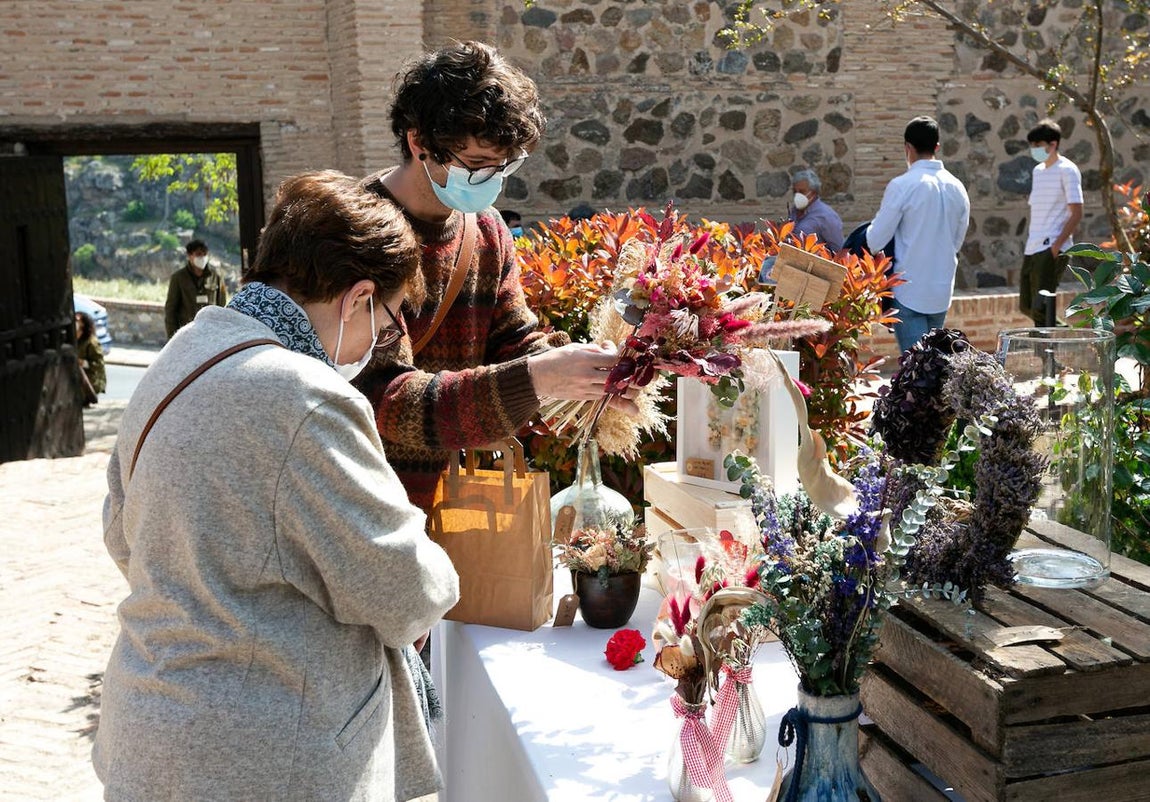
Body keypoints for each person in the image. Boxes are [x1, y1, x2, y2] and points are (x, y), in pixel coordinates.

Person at [94, 171, 460, 802]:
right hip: (265, 755)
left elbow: (122, 535)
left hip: (149, 728)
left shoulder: (184, 351)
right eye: (392, 318)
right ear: (358, 298)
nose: (388, 341)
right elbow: (404, 589)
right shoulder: (306, 397)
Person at [355, 41, 635, 512]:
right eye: (478, 165)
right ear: (418, 141)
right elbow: (387, 401)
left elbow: (514, 340)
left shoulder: (485, 229)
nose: (492, 180)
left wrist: (584, 372)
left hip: (463, 499)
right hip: (366, 504)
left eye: (505, 165)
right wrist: (537, 377)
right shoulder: (356, 234)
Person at [866, 116, 970, 353]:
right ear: (937, 147)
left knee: (917, 371)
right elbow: (957, 242)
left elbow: (875, 241)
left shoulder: (902, 185)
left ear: (907, 147)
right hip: (942, 289)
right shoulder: (958, 187)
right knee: (933, 367)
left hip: (908, 290)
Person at [1020, 118, 1084, 325]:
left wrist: (1056, 247)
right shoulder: (1037, 172)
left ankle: (1051, 354)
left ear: (1053, 144)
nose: (1034, 150)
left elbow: (1077, 212)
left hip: (1051, 247)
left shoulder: (1067, 169)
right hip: (1033, 246)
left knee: (1042, 306)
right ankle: (1068, 339)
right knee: (1027, 305)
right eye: (1032, 146)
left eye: (1038, 145)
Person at [164, 238, 228, 339]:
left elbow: (222, 305)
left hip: (211, 333)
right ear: (190, 256)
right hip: (187, 333)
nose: (202, 257)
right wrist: (172, 337)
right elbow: (170, 310)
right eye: (198, 254)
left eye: (205, 254)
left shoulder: (216, 276)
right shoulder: (178, 278)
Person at [788, 168, 843, 253]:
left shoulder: (827, 215)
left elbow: (838, 249)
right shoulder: (794, 212)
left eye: (802, 191)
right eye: (795, 191)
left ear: (813, 193)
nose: (797, 195)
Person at [74, 310, 106, 405]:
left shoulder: (92, 343)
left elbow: (99, 365)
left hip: (91, 380)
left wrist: (83, 363)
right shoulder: (75, 340)